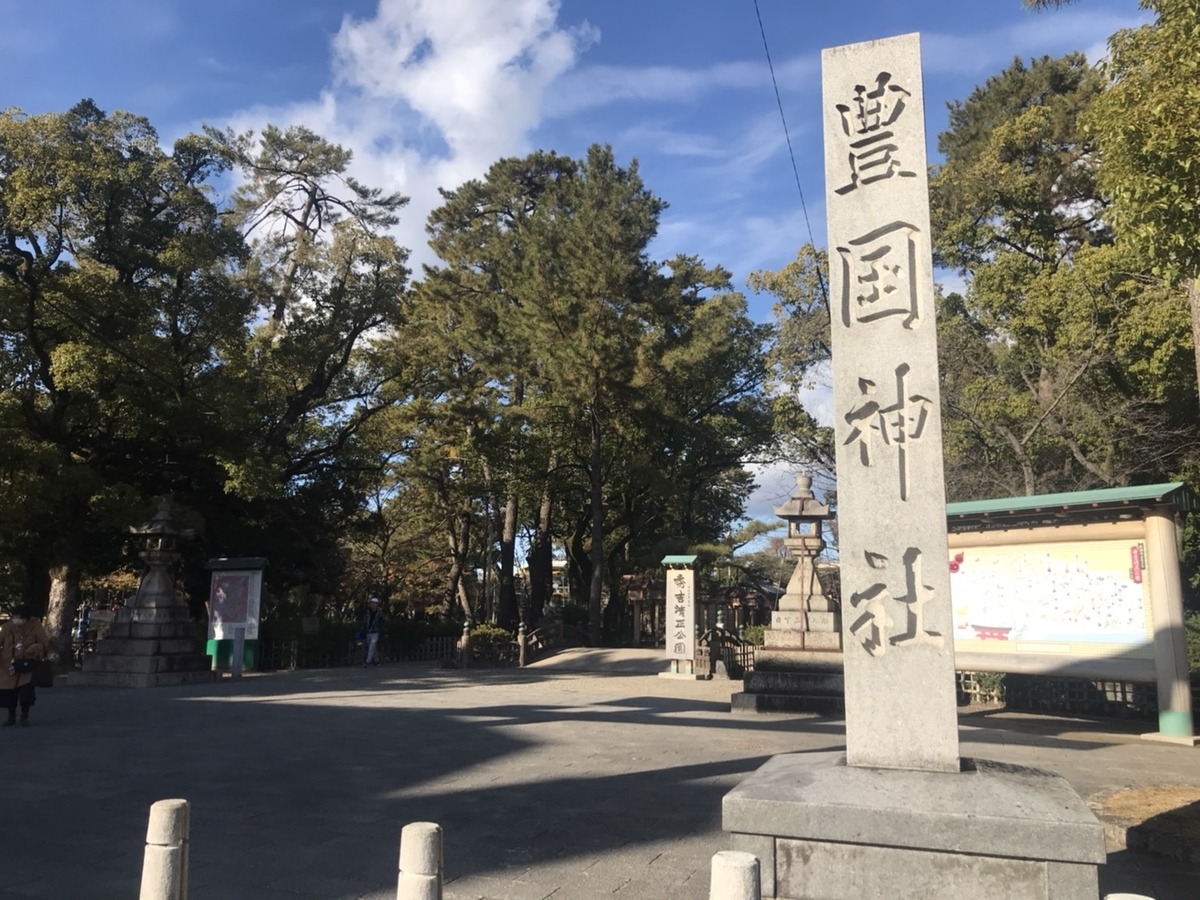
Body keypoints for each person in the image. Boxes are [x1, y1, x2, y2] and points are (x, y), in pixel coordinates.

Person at [1, 604, 49, 727]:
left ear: (25, 618)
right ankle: (11, 716)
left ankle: (24, 715)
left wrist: (34, 648)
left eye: (18, 616)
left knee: (26, 692)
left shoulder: (36, 626)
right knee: (9, 693)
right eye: (14, 616)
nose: (15, 619)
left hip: (28, 662)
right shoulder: (7, 628)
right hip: (8, 664)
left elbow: (43, 642)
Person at [362, 597, 385, 667]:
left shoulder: (380, 613)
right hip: (368, 632)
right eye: (372, 603)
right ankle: (377, 661)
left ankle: (367, 661)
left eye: (374, 603)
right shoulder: (367, 612)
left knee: (372, 646)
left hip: (375, 632)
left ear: (377, 604)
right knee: (372, 647)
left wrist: (383, 631)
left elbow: (383, 623)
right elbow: (364, 622)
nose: (373, 605)